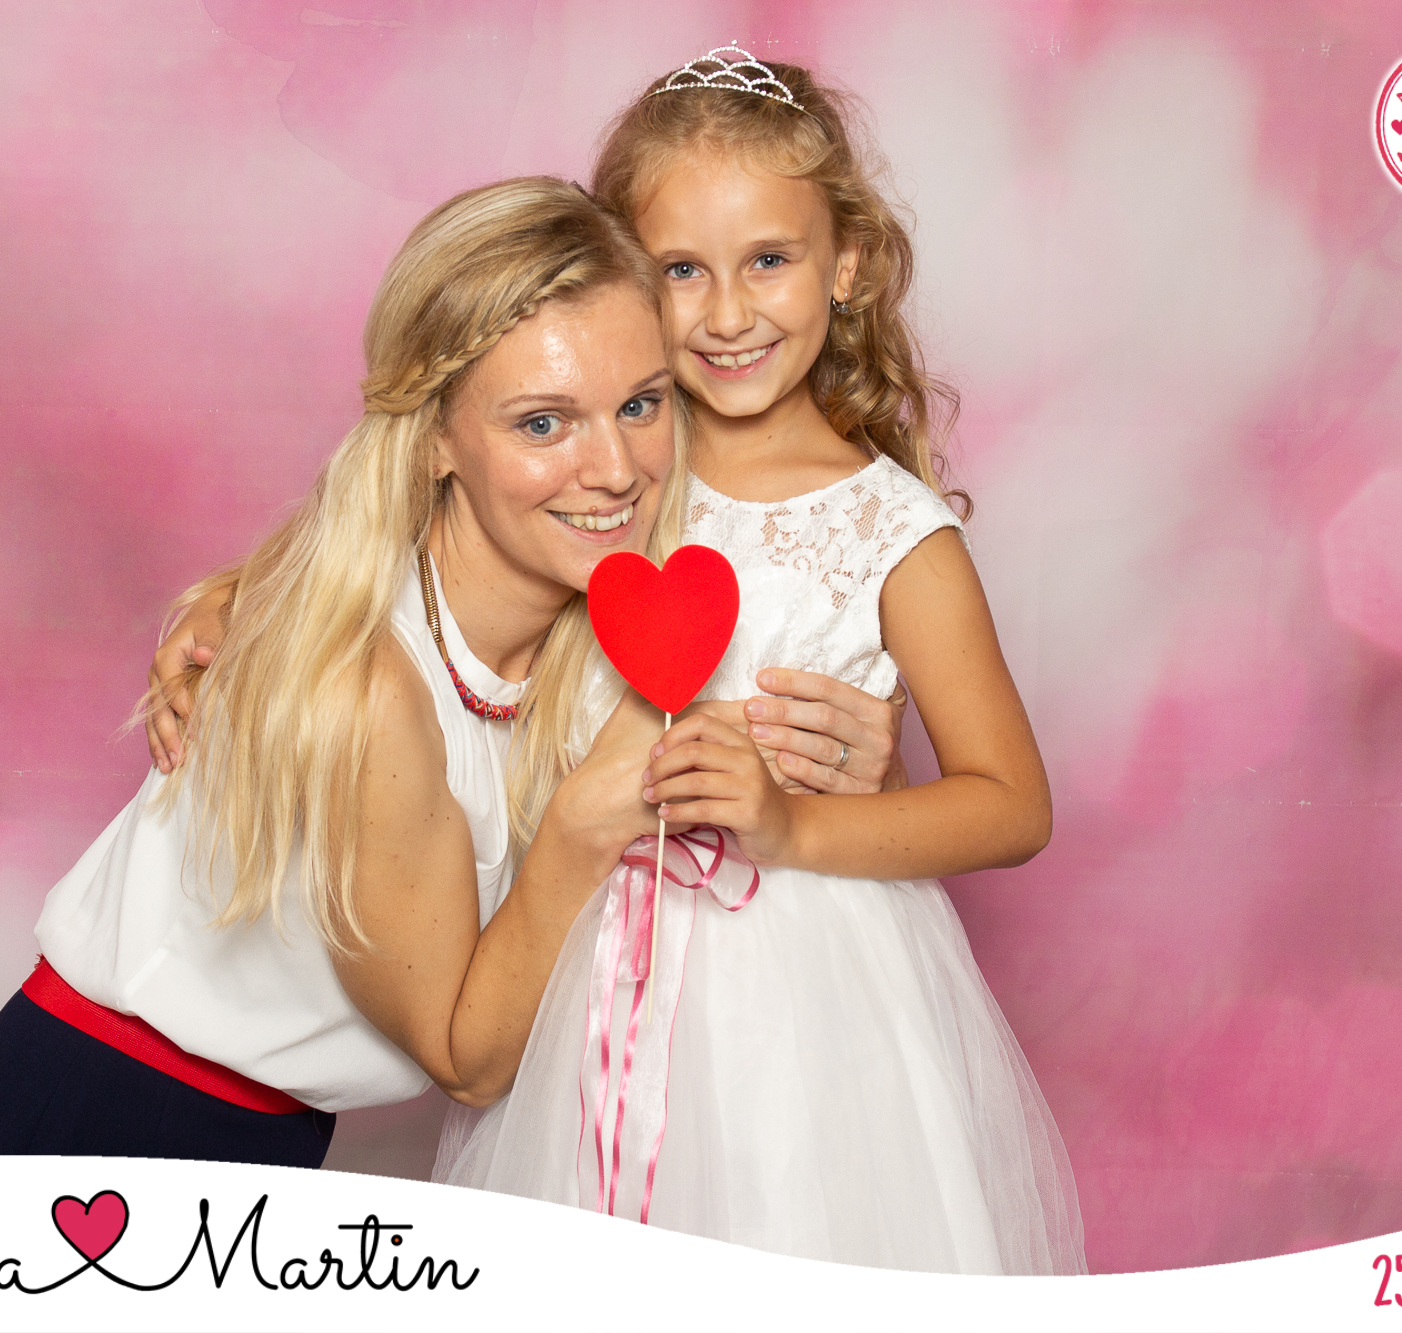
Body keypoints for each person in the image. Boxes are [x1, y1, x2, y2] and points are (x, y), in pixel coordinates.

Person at [425, 51, 1086, 1273]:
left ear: (846, 263)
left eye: (767, 260)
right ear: (623, 278)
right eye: (680, 270)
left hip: (804, 1015)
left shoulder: (887, 533)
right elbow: (417, 567)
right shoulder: (603, 473)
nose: (726, 314)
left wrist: (790, 822)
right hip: (585, 977)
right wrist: (230, 622)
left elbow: (1011, 804)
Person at [0, 177, 698, 1165]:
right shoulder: (370, 688)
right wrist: (585, 820)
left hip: (261, 1142)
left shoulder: (539, 626)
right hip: (96, 1123)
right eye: (542, 423)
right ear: (436, 438)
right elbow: (465, 1055)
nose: (616, 468)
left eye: (640, 404)